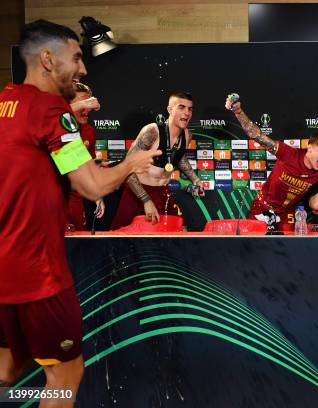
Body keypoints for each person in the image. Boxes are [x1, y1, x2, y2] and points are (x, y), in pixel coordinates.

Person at [0, 20, 159, 405]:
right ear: (48, 59)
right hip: (38, 274)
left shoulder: (6, 102)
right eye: (76, 58)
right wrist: (131, 163)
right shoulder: (52, 110)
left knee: (7, 370)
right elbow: (90, 185)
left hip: (4, 269)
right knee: (66, 375)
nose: (84, 69)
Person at [225, 95, 318, 231]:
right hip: (263, 207)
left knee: (288, 246)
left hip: (287, 212)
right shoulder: (288, 154)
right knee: (254, 243)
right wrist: (238, 112)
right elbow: (257, 135)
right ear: (310, 147)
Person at [111, 92, 206, 230]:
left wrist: (196, 180)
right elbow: (128, 167)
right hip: (137, 193)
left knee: (174, 233)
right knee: (123, 240)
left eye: (190, 109)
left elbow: (177, 157)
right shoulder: (152, 131)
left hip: (163, 191)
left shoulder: (187, 135)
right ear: (170, 109)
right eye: (181, 107)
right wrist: (146, 200)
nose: (187, 113)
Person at [66, 82, 104, 230]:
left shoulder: (88, 131)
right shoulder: (52, 126)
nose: (87, 109)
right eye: (82, 103)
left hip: (75, 197)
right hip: (50, 198)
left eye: (89, 104)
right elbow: (54, 115)